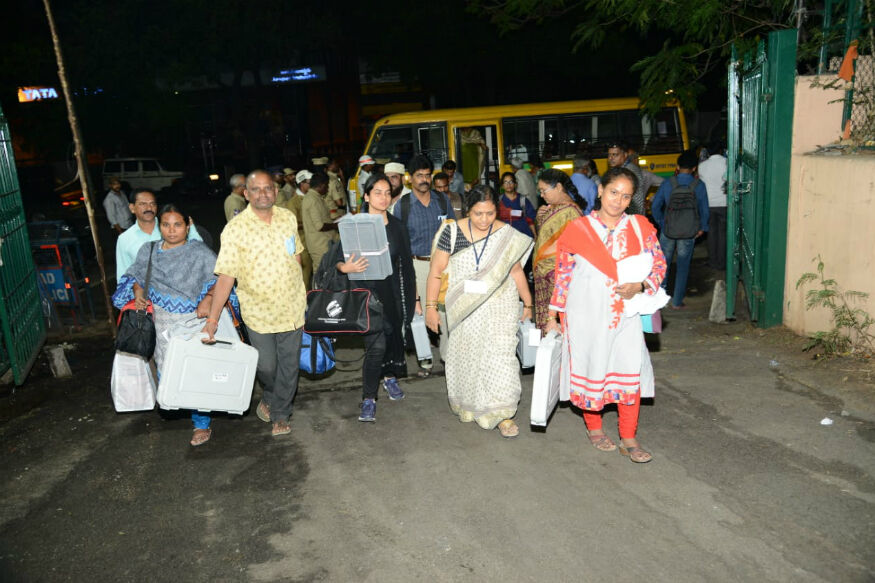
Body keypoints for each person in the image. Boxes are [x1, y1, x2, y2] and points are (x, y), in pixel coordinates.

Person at [545, 167, 667, 463]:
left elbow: (659, 264)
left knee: (629, 371)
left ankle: (629, 436)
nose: (619, 201)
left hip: (624, 315)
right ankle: (595, 428)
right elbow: (563, 275)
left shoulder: (640, 227)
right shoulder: (578, 230)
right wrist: (553, 315)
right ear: (600, 190)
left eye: (626, 196)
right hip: (584, 313)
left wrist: (641, 285)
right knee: (591, 368)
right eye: (614, 193)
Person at [202, 169, 308, 437]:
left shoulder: (287, 217)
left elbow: (296, 256)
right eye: (257, 189)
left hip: (292, 307)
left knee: (289, 364)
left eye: (268, 188)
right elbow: (226, 276)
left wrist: (303, 292)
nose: (264, 193)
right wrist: (213, 319)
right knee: (267, 366)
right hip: (259, 312)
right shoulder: (235, 229)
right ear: (246, 194)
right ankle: (270, 394)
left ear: (275, 190)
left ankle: (281, 413)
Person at [112, 203, 227, 446]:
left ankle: (201, 423)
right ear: (159, 226)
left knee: (195, 373)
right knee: (168, 372)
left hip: (193, 322)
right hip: (161, 322)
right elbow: (136, 277)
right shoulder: (149, 250)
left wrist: (207, 299)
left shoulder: (200, 253)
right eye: (166, 225)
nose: (171, 230)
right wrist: (139, 292)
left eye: (177, 225)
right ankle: (179, 404)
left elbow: (221, 280)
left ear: (188, 226)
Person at [425, 185, 534, 438]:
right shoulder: (451, 233)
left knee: (501, 358)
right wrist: (431, 308)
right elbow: (435, 272)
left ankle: (502, 414)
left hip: (501, 307)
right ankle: (472, 405)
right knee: (470, 357)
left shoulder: (506, 233)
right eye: (477, 214)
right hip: (465, 309)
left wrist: (527, 303)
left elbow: (516, 271)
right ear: (467, 211)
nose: (484, 220)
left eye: (489, 213)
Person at [333, 173, 417, 421]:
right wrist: (345, 268)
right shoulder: (353, 225)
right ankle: (369, 398)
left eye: (387, 192)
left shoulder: (398, 226)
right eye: (377, 192)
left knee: (392, 341)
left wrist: (415, 300)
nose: (383, 197)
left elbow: (406, 267)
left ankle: (389, 378)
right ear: (366, 195)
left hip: (391, 294)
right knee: (376, 345)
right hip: (365, 295)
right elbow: (336, 260)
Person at [392, 154, 455, 377]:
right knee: (418, 313)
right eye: (419, 176)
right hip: (416, 266)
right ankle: (425, 360)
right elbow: (399, 245)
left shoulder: (441, 200)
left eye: (427, 175)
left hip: (443, 265)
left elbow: (453, 230)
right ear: (410, 179)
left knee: (445, 312)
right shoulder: (403, 206)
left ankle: (448, 358)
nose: (424, 180)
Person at [650, 150, 710, 309]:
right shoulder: (699, 185)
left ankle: (659, 301)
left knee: (663, 265)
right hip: (689, 231)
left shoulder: (668, 183)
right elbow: (704, 209)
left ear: (677, 166)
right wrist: (702, 227)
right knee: (683, 265)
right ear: (694, 168)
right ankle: (677, 302)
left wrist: (662, 223)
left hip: (668, 230)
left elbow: (655, 206)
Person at [532, 169, 586, 332]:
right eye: (540, 191)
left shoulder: (572, 212)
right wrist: (539, 218)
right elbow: (544, 237)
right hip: (545, 277)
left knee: (561, 329)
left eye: (544, 190)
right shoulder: (553, 208)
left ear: (559, 187)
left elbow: (576, 249)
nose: (542, 195)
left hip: (558, 281)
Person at [116, 189, 202, 280]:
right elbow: (123, 275)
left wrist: (191, 227)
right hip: (145, 292)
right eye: (143, 204)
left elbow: (199, 250)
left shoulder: (170, 229)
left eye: (152, 204)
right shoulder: (125, 239)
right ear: (132, 208)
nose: (149, 208)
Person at [279, 170, 314, 288]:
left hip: (312, 241)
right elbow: (291, 224)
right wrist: (310, 223)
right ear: (302, 183)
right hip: (301, 243)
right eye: (310, 182)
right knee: (305, 274)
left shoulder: (312, 197)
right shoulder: (293, 202)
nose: (312, 185)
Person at [698, 141, 728, 270]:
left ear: (708, 152)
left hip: (708, 204)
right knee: (723, 233)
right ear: (721, 150)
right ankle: (722, 262)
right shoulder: (727, 163)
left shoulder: (702, 166)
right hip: (724, 203)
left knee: (711, 233)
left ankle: (713, 261)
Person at [302, 172, 338, 270]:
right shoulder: (312, 199)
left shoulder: (316, 197)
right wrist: (335, 226)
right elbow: (320, 226)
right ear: (321, 185)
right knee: (321, 274)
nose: (327, 189)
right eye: (326, 186)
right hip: (319, 246)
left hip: (324, 242)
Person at [606, 140, 645, 215]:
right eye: (609, 155)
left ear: (625, 155)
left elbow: (637, 200)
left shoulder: (630, 171)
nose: (611, 158)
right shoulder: (621, 170)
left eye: (615, 155)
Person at [498, 171, 536, 237]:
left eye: (511, 182)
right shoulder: (498, 201)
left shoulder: (523, 200)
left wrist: (534, 234)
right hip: (505, 236)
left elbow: (530, 219)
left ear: (515, 184)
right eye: (505, 182)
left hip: (523, 235)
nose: (508, 185)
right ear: (502, 185)